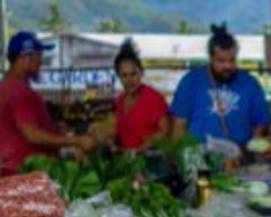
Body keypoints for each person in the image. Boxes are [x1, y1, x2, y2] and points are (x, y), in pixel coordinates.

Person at [0, 31, 96, 174]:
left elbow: (25, 128)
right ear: (25, 57)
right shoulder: (18, 91)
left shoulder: (8, 86)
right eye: (39, 56)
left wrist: (53, 128)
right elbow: (32, 135)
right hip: (24, 172)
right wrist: (77, 141)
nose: (41, 61)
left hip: (14, 167)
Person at [170, 23, 271, 147]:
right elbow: (179, 124)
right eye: (221, 61)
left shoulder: (250, 83)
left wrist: (252, 147)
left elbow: (261, 123)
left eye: (232, 60)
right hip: (199, 154)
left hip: (239, 155)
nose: (227, 66)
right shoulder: (191, 81)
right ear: (211, 58)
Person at [112, 39, 170, 151]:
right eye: (124, 75)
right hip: (127, 161)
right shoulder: (120, 101)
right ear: (119, 77)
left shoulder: (153, 98)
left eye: (133, 74)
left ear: (141, 72)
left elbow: (164, 131)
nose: (129, 80)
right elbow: (121, 133)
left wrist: (140, 150)